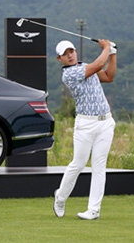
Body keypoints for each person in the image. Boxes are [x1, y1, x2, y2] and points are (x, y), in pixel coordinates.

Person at [53, 38, 117, 220]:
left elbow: (108, 76)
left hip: (105, 122)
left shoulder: (86, 66)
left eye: (71, 51)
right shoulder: (69, 74)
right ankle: (61, 197)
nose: (70, 55)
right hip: (85, 125)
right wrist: (105, 47)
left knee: (99, 166)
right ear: (59, 59)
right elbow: (97, 66)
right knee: (78, 164)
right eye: (65, 54)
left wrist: (112, 53)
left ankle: (93, 210)